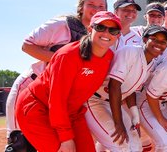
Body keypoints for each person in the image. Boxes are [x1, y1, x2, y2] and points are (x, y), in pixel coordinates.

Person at [5, 0, 107, 138]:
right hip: (31, 86)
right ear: (81, 8)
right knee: (19, 142)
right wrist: (63, 60)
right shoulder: (62, 24)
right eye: (91, 4)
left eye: (101, 6)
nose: (96, 9)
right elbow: (27, 45)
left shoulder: (101, 35)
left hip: (59, 97)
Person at [15, 11, 120, 151]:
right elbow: (57, 99)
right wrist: (65, 138)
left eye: (113, 30)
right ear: (90, 29)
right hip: (38, 107)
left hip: (71, 112)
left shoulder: (109, 57)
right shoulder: (68, 55)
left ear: (118, 35)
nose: (107, 33)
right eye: (100, 27)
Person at [85, 25, 167, 151]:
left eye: (163, 42)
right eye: (154, 39)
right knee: (120, 144)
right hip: (95, 100)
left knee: (136, 146)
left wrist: (134, 116)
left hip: (112, 103)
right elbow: (114, 86)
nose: (158, 43)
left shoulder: (151, 63)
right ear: (145, 39)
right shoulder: (130, 51)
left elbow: (130, 90)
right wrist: (118, 123)